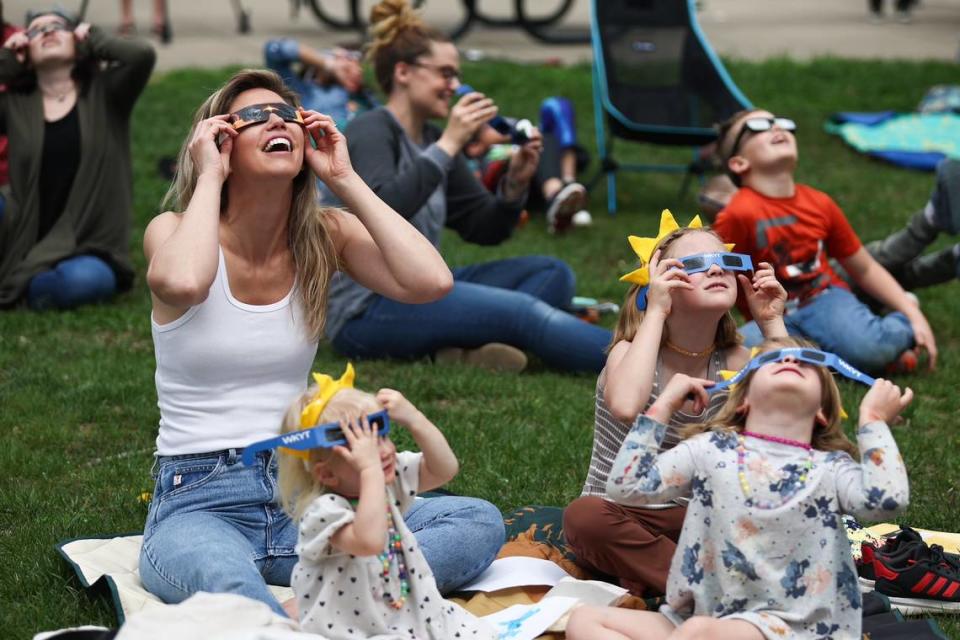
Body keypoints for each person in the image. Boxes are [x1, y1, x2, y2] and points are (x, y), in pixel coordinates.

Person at [139, 69, 504, 617]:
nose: (277, 121)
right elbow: (184, 284)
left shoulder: (326, 235)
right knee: (230, 590)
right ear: (219, 140)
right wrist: (208, 175)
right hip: (201, 498)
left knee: (477, 521)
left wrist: (347, 178)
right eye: (254, 117)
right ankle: (320, 604)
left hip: (310, 486)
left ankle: (322, 598)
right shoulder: (171, 231)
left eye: (287, 114)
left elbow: (430, 282)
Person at [329, 0, 612, 374]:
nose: (455, 87)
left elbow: (484, 228)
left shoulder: (431, 137)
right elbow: (379, 211)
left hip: (418, 288)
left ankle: (457, 348)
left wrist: (515, 184)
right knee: (524, 313)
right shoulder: (371, 130)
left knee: (551, 273)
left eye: (456, 76)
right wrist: (447, 147)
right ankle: (643, 366)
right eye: (445, 74)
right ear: (403, 72)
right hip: (365, 308)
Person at [566, 336, 911, 639]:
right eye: (771, 359)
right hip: (700, 618)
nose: (789, 360)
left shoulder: (831, 469)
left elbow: (888, 501)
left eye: (807, 364)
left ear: (823, 410)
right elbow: (626, 486)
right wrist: (662, 408)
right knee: (585, 620)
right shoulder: (708, 449)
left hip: (792, 629)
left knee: (698, 634)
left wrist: (874, 423)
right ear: (743, 398)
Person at [563, 211, 788, 596]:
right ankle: (709, 589)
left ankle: (656, 577)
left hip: (698, 517)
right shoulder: (629, 352)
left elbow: (793, 419)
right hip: (618, 511)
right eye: (698, 264)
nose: (716, 271)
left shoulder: (734, 360)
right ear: (660, 283)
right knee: (583, 518)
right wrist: (657, 309)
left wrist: (772, 325)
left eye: (726, 263)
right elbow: (625, 404)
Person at [273, 365, 495, 639]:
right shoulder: (323, 511)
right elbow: (370, 541)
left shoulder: (382, 479)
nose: (386, 450)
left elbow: (444, 470)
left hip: (409, 615)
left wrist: (415, 419)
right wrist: (371, 472)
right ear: (327, 474)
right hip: (353, 630)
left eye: (383, 436)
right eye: (365, 450)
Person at [711, 109, 939, 374]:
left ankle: (895, 325)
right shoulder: (736, 214)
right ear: (739, 163)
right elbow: (718, 277)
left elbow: (864, 268)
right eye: (758, 126)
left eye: (782, 122)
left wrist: (911, 313)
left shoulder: (819, 203)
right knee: (731, 361)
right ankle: (847, 354)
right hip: (772, 317)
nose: (776, 128)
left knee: (871, 350)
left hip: (824, 299)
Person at [0, 8, 154, 310]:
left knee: (80, 281)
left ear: (78, 40)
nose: (47, 32)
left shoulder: (107, 92)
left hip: (89, 241)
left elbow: (142, 55)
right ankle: (28, 271)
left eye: (58, 26)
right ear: (24, 49)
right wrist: (5, 64)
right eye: (34, 31)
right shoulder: (15, 105)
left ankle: (27, 281)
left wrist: (95, 37)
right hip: (23, 229)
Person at [465, 95, 593, 233]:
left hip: (534, 177)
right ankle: (556, 195)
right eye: (490, 127)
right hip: (512, 185)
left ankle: (566, 189)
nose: (500, 125)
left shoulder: (509, 142)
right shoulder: (484, 159)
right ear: (475, 146)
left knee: (556, 109)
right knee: (543, 142)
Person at [263, 38, 377, 130]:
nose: (355, 68)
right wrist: (329, 65)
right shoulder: (302, 92)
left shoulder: (367, 98)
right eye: (344, 59)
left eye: (355, 61)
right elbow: (274, 50)